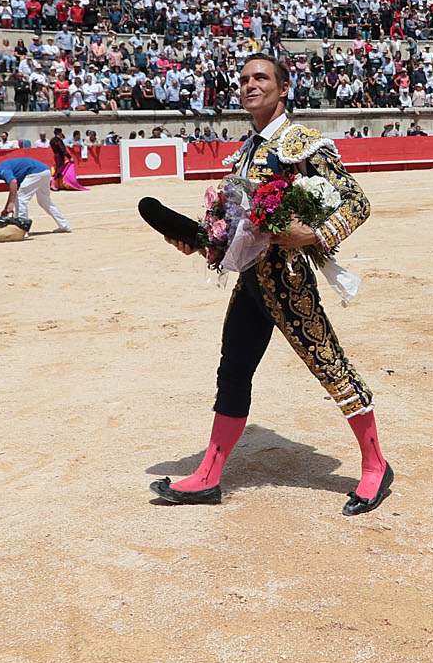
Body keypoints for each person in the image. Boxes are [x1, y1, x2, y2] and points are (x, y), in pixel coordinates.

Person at [151, 54, 390, 515]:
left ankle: (376, 464)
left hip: (289, 281)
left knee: (330, 367)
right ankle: (208, 476)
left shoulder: (302, 143)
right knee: (232, 373)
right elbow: (234, 228)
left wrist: (316, 235)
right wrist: (203, 243)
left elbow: (357, 202)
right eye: (243, 80)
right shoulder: (245, 153)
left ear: (284, 89)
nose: (249, 85)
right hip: (249, 283)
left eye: (260, 78)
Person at [0, 154, 70, 234]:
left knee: (20, 199)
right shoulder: (6, 168)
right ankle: (64, 225)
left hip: (35, 173)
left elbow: (13, 182)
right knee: (45, 202)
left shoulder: (1, 169)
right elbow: (13, 191)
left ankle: (22, 230)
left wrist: (12, 203)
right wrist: (6, 209)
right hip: (45, 172)